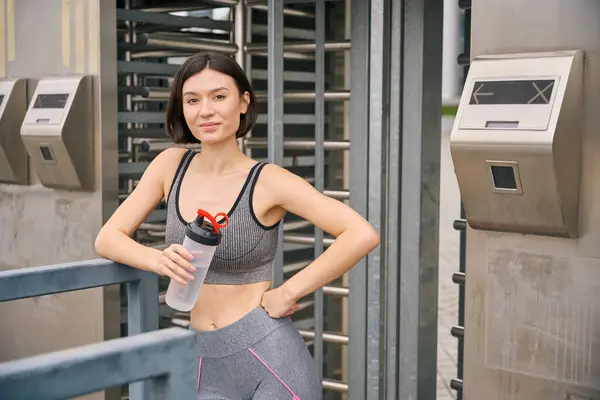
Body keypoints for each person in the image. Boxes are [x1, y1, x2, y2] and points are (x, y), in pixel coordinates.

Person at [95, 51, 380, 399]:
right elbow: (107, 238)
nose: (206, 111)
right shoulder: (169, 166)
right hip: (201, 357)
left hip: (270, 357)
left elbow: (361, 233)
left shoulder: (268, 180)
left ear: (243, 102)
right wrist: (157, 260)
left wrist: (288, 292)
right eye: (192, 100)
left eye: (219, 96)